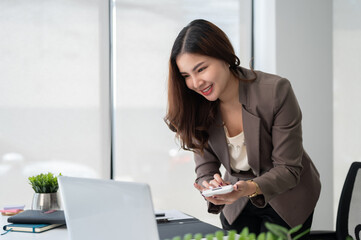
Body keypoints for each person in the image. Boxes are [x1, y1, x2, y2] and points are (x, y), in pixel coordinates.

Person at [164, 19, 321, 238]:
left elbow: (288, 169)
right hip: (237, 201)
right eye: (186, 76)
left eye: (201, 69)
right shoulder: (197, 105)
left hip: (287, 197)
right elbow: (205, 169)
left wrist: (248, 188)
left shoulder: (275, 91)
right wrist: (210, 184)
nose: (196, 83)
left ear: (224, 57)